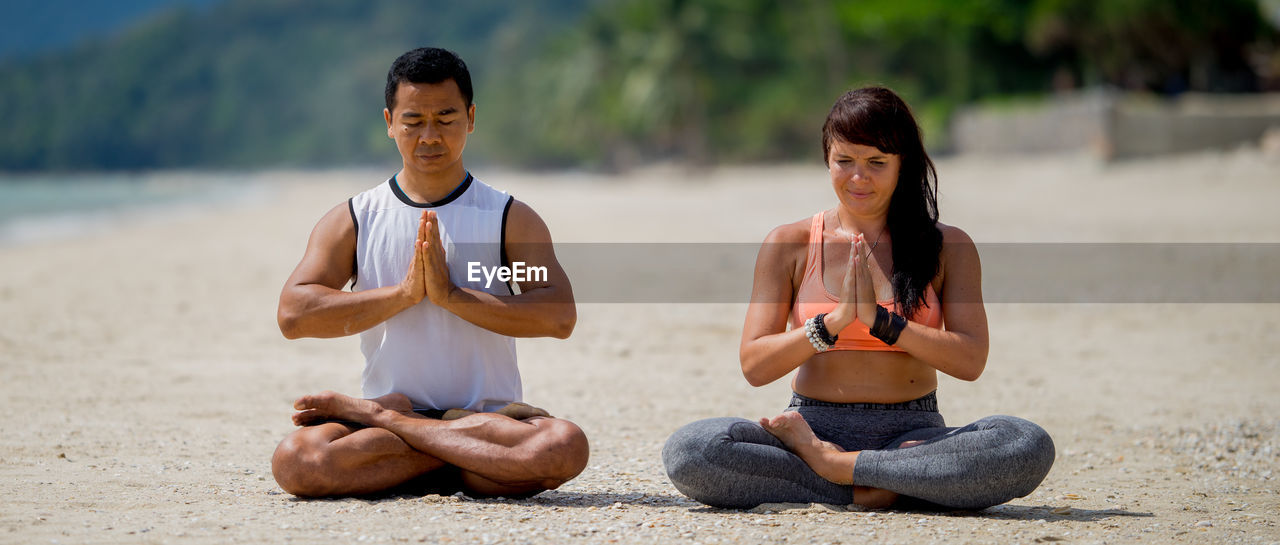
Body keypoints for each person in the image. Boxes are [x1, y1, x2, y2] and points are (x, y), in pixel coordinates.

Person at [661, 87, 1054, 510]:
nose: (858, 177)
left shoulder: (947, 247)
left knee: (1024, 443)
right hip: (810, 427)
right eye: (844, 161)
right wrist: (831, 323)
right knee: (692, 450)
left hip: (914, 436)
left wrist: (883, 323)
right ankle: (883, 484)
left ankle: (840, 471)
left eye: (876, 163)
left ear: (903, 164)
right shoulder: (789, 243)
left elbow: (971, 360)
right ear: (826, 160)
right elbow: (755, 366)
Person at [270, 47, 588, 498]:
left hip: (488, 421)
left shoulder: (507, 217)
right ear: (388, 122)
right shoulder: (355, 219)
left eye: (446, 117)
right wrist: (401, 295)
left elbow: (558, 317)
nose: (430, 136)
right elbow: (294, 315)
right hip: (456, 445)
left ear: (471, 117)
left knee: (564, 446)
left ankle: (395, 431)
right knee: (297, 461)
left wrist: (452, 297)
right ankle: (442, 450)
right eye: (413, 121)